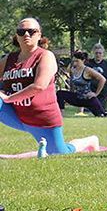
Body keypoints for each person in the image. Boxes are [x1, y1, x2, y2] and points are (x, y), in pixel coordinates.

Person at [0, 18, 99, 155]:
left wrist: (8, 98)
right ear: (17, 35)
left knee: (60, 152)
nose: (26, 35)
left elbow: (39, 86)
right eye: (21, 31)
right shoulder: (8, 59)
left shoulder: (45, 56)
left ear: (39, 35)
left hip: (43, 120)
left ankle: (90, 141)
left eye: (31, 31)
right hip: (18, 116)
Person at [56, 51, 107, 116]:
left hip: (88, 99)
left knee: (102, 115)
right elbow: (68, 69)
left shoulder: (88, 70)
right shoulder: (73, 70)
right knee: (60, 93)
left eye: (77, 61)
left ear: (83, 60)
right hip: (77, 97)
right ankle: (60, 115)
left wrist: (96, 93)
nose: (75, 63)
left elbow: (102, 79)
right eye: (74, 61)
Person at [86, 43, 107, 112]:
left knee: (100, 111)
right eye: (96, 53)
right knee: (90, 110)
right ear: (93, 53)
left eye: (100, 53)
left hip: (103, 92)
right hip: (91, 90)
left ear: (103, 54)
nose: (98, 55)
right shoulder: (88, 63)